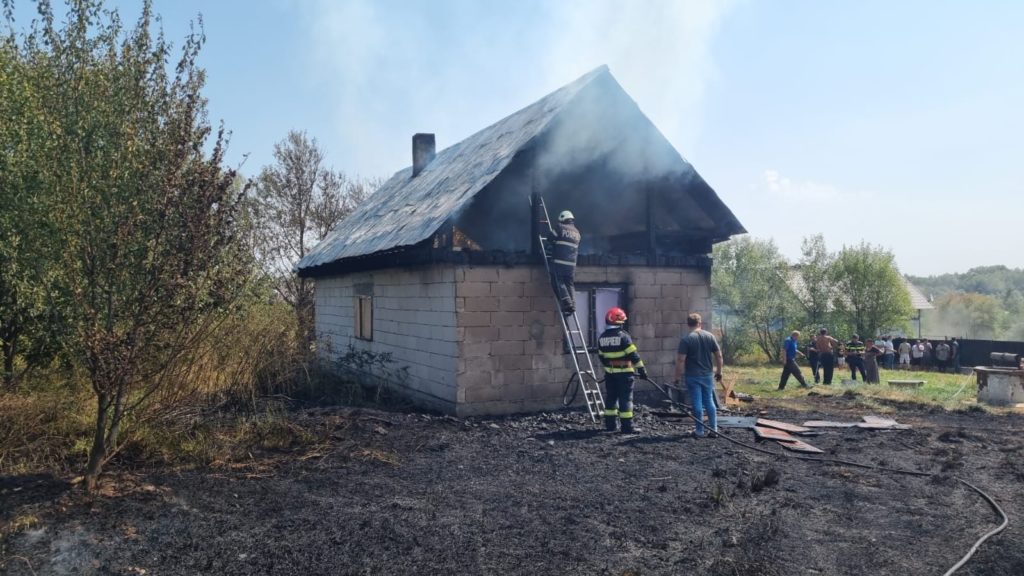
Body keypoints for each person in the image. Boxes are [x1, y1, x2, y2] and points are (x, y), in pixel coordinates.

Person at [597, 307, 647, 434]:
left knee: (611, 398)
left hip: (610, 374)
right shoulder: (623, 336)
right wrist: (641, 369)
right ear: (617, 321)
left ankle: (610, 425)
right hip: (625, 374)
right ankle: (627, 427)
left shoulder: (601, 337)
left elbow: (602, 357)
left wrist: (610, 368)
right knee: (626, 399)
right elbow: (633, 355)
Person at [674, 313, 723, 438]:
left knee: (697, 402)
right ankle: (714, 429)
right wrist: (719, 372)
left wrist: (677, 377)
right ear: (700, 323)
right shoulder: (710, 336)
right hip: (707, 375)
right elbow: (719, 356)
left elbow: (680, 360)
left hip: (692, 376)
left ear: (688, 324)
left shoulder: (686, 340)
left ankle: (699, 431)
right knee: (709, 401)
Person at [546, 210, 580, 314]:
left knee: (558, 281)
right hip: (572, 265)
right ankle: (573, 304)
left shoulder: (560, 227)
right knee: (569, 284)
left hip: (560, 262)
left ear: (562, 218)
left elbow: (550, 237)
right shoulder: (577, 233)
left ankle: (567, 303)